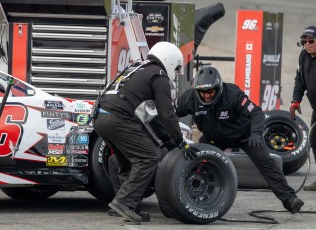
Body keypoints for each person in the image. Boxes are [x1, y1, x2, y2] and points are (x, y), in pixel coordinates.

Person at [93, 41, 199, 224]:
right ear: (170, 60)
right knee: (150, 157)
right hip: (117, 118)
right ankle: (125, 202)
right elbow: (167, 114)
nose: (177, 73)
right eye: (177, 68)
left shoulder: (136, 68)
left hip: (99, 117)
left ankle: (128, 207)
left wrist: (170, 140)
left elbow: (152, 118)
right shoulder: (160, 76)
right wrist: (180, 141)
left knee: (123, 161)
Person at [174, 66, 304, 214]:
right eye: (202, 92)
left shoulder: (233, 94)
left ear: (219, 87)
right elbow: (169, 111)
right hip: (213, 138)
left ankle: (290, 199)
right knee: (194, 161)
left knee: (266, 163)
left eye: (211, 91)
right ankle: (187, 198)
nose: (207, 96)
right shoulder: (190, 98)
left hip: (245, 136)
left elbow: (257, 113)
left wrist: (256, 133)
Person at [289, 26, 316, 191]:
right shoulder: (304, 56)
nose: (307, 44)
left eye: (311, 41)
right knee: (314, 141)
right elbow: (300, 79)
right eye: (304, 41)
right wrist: (295, 100)